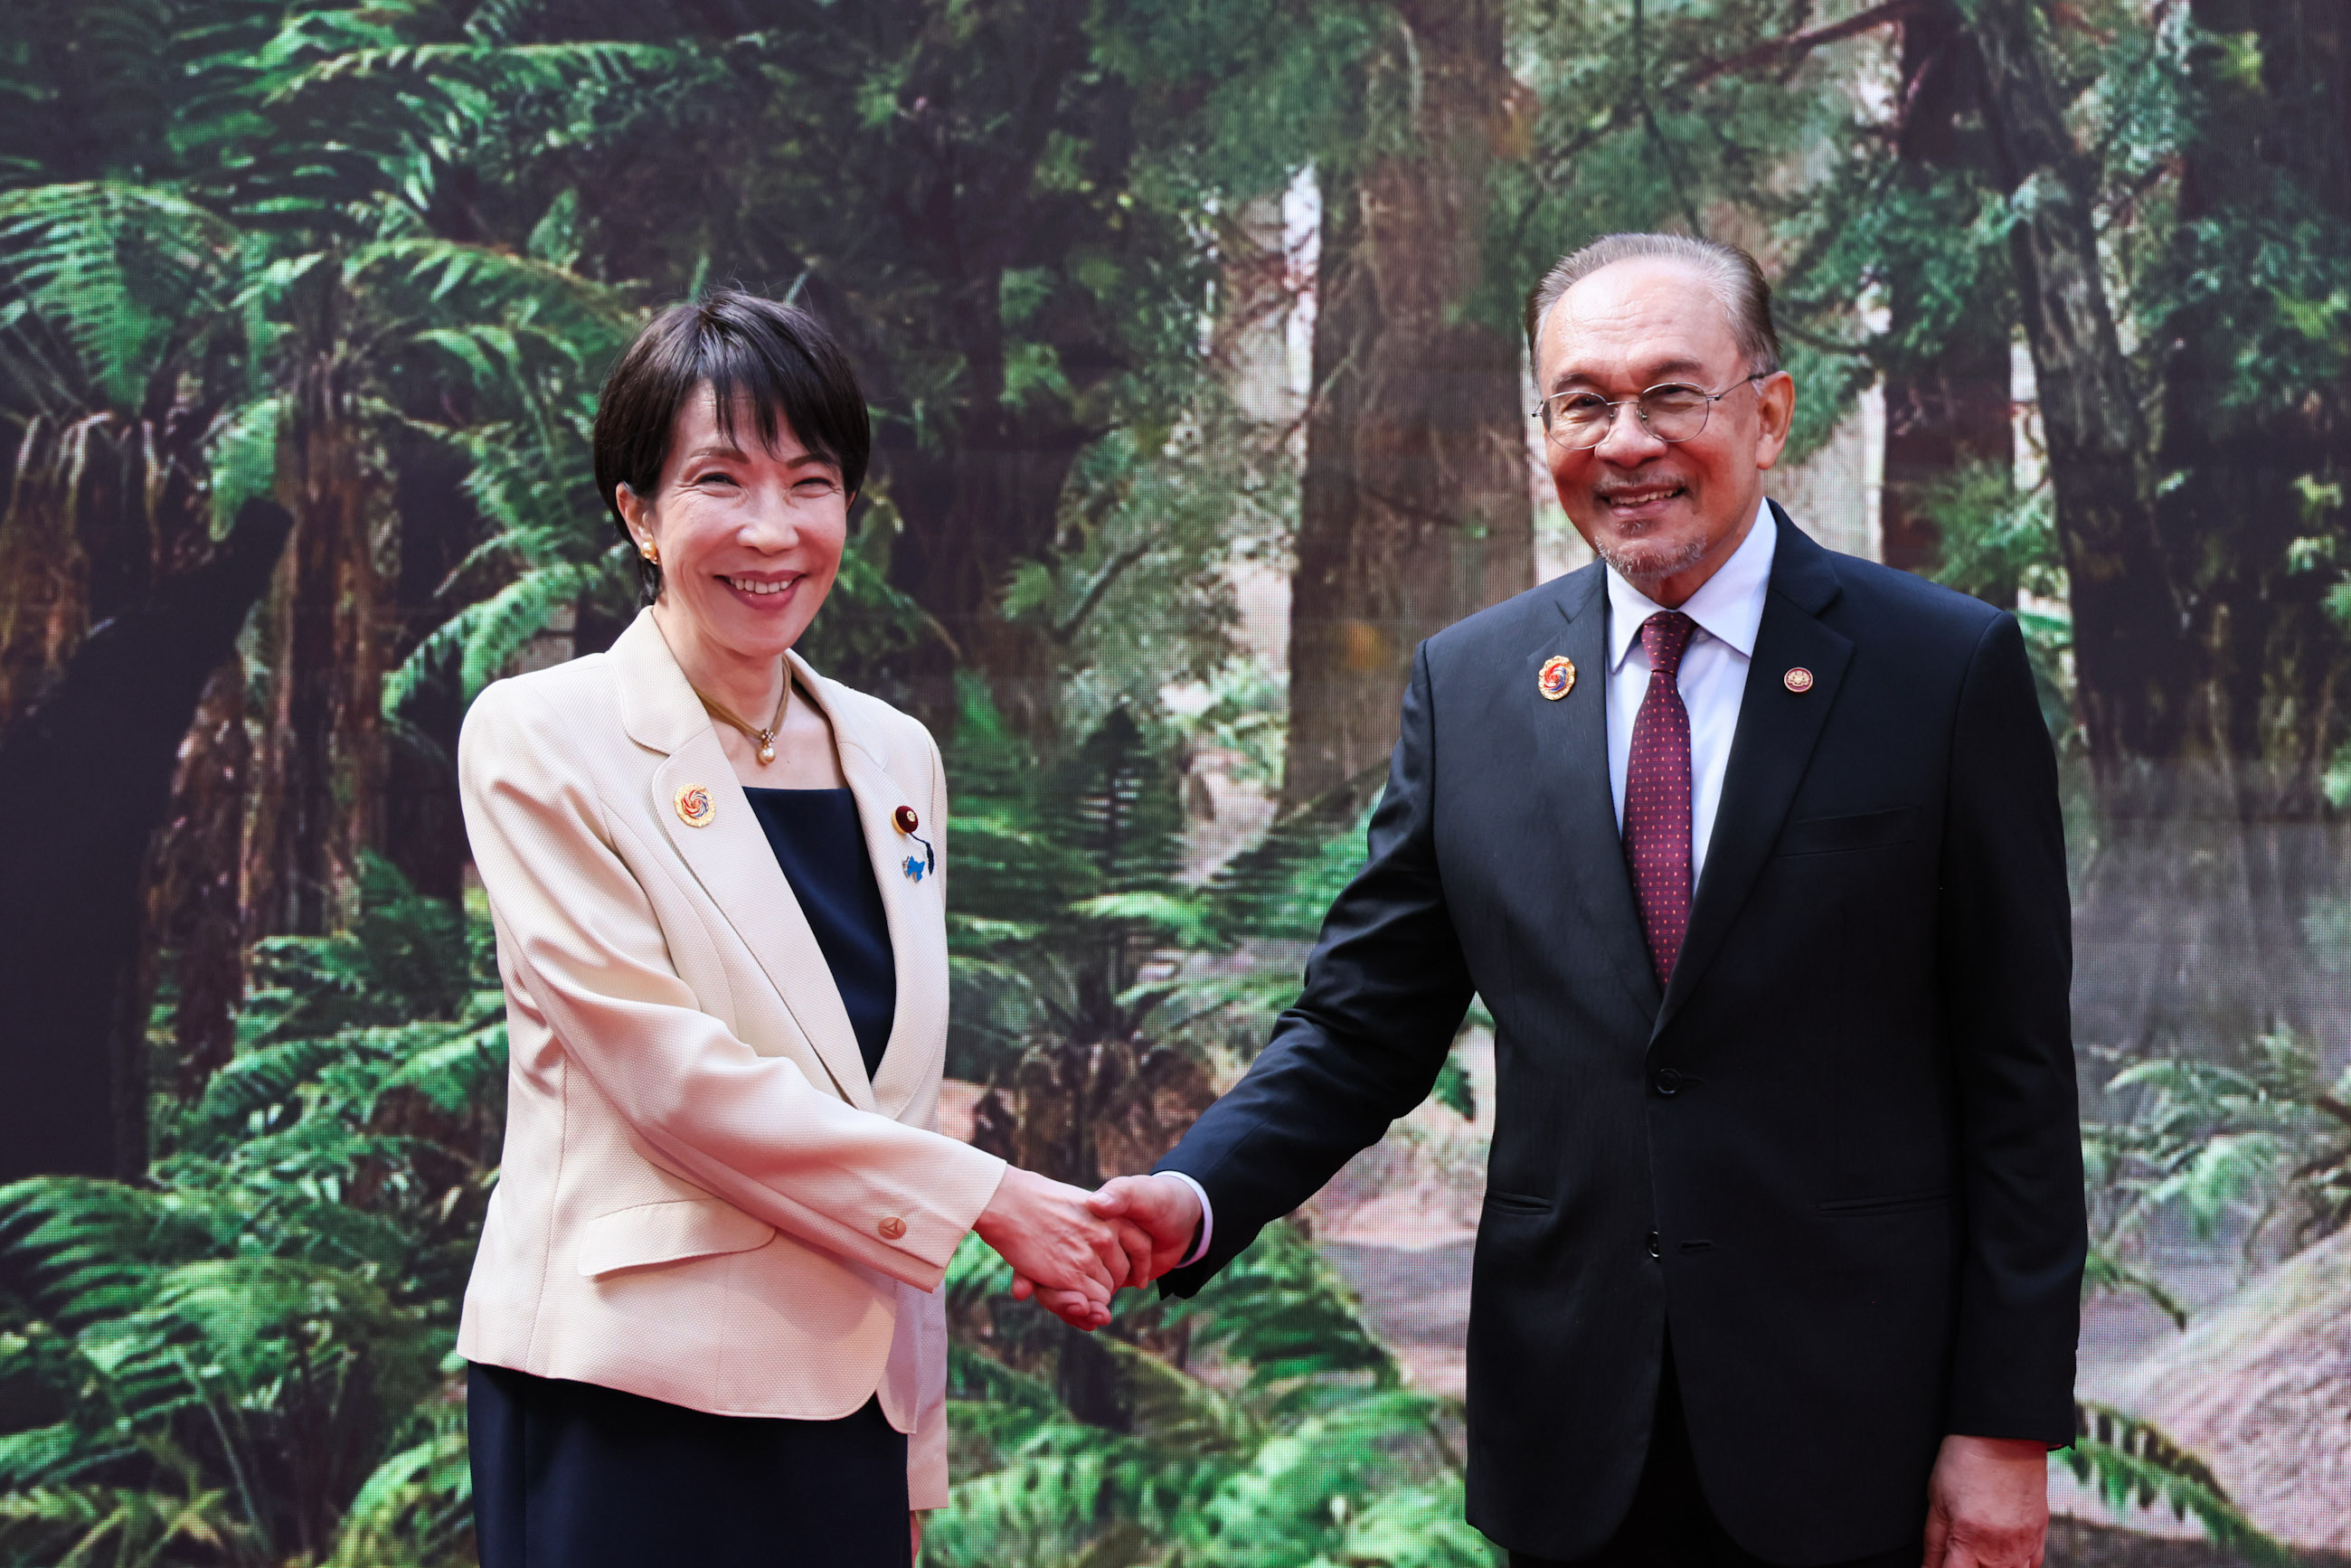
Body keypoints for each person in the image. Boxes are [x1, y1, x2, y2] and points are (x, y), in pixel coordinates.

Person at [1086, 234, 2085, 1568]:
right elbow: (1360, 1028)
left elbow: (2015, 1075)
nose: (1627, 441)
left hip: (1860, 1429)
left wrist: (2004, 1427)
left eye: (1675, 394)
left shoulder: (1941, 671)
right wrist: (1194, 1193)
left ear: (1769, 412)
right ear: (1540, 429)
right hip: (1574, 1434)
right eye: (1583, 401)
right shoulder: (1473, 685)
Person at [456, 290, 1133, 1568]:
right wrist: (988, 1197)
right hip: (628, 1402)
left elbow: (892, 1096)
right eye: (720, 478)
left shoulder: (895, 754)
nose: (773, 529)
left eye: (810, 481)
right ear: (638, 513)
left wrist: (914, 1442)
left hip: (849, 1403)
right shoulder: (540, 735)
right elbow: (670, 1085)